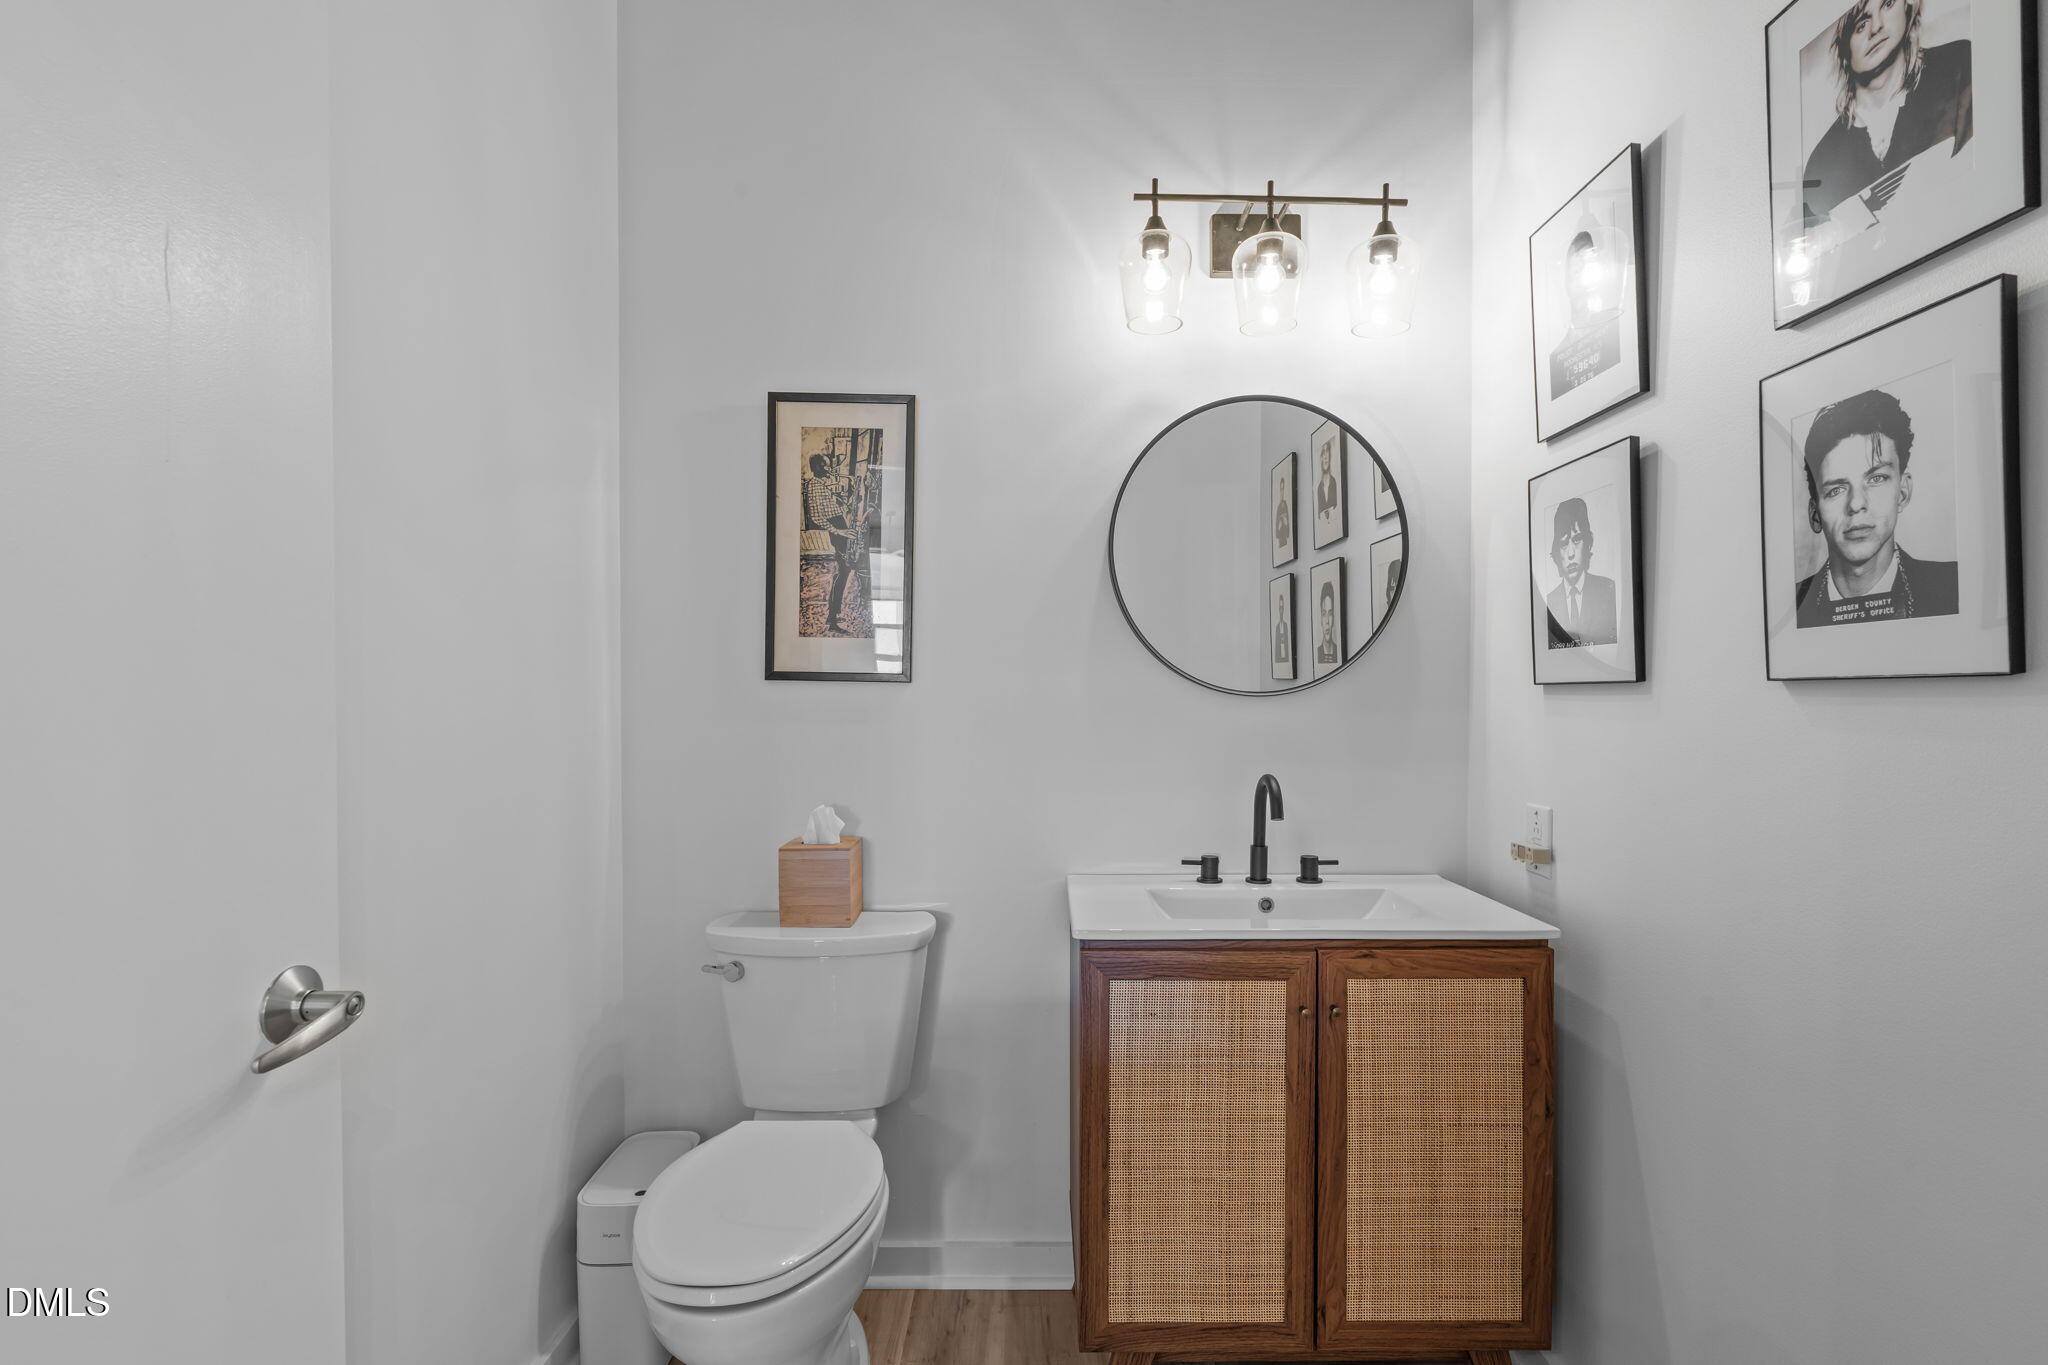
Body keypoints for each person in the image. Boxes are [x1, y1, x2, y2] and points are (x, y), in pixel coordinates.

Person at [1798, 0, 1972, 229]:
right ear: (1844, 51)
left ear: (1907, 8)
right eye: (1861, 24)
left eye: (1887, 4)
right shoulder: (1822, 162)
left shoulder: (1958, 65)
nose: (1876, 27)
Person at [1794, 387, 1958, 627]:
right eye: (1836, 490)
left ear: (1903, 492)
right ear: (1815, 514)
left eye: (1876, 479)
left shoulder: (1954, 587)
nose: (1857, 504)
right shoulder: (1792, 607)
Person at [1543, 498, 1618, 648]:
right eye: (1563, 544)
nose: (1571, 553)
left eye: (1577, 540)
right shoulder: (1549, 602)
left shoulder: (1607, 590)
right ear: (1556, 552)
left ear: (1588, 543)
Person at [1315, 443, 1340, 532]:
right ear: (1321, 458)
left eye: (1327, 452)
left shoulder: (1335, 483)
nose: (1325, 456)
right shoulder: (1318, 489)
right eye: (1323, 453)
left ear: (1330, 456)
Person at [1315, 580, 1341, 665]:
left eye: (1330, 614)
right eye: (1323, 614)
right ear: (1320, 619)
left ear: (1333, 618)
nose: (1327, 621)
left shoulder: (1338, 651)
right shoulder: (1318, 652)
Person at [1273, 592, 1291, 668]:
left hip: (1286, 658)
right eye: (1280, 608)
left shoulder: (1286, 626)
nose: (1281, 610)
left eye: (1282, 608)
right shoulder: (1277, 627)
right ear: (1278, 609)